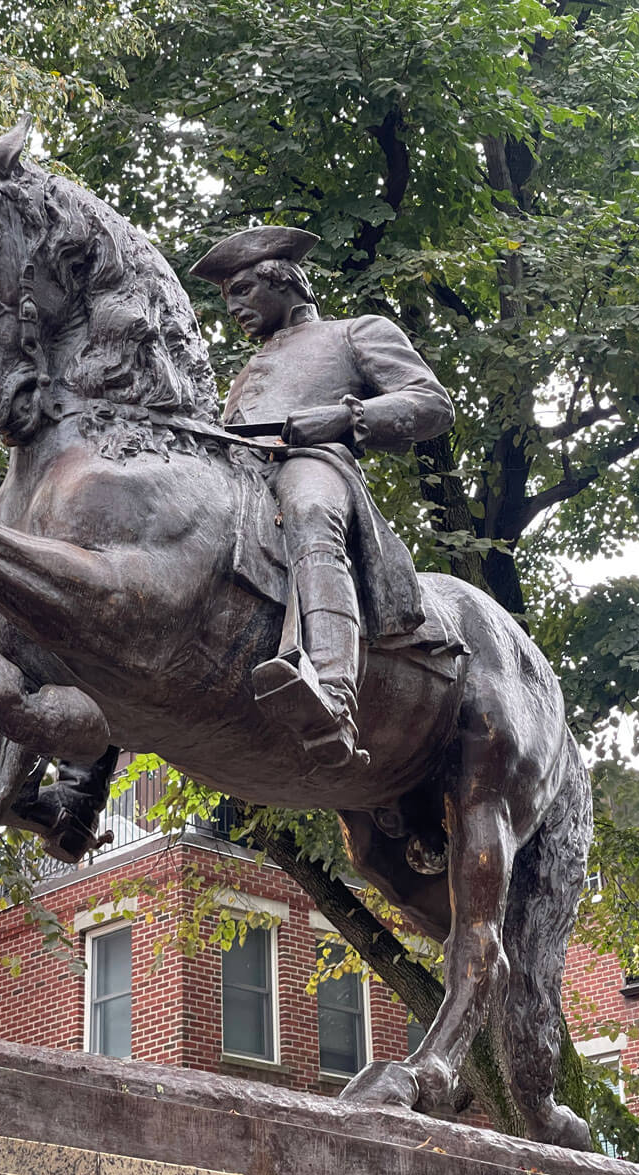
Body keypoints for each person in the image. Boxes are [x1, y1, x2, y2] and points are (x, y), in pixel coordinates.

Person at [191, 227, 454, 769]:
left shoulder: (355, 332)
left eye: (242, 290)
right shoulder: (244, 372)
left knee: (310, 511)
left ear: (284, 281)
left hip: (310, 465)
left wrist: (346, 417)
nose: (233, 308)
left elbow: (430, 404)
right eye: (227, 299)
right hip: (237, 475)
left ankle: (334, 691)